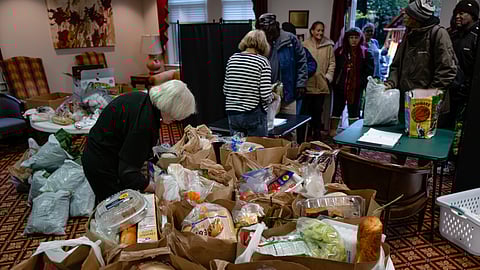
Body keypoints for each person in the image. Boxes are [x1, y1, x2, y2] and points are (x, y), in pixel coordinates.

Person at [82, 80, 196, 203]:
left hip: (100, 149)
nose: (174, 121)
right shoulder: (144, 125)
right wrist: (157, 188)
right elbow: (128, 173)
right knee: (115, 206)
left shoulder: (143, 99)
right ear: (169, 108)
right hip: (101, 165)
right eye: (175, 117)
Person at [385, 0, 457, 165]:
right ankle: (395, 183)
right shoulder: (408, 34)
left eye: (408, 14)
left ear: (417, 18)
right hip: (406, 105)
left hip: (429, 107)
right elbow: (396, 65)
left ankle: (420, 186)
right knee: (397, 148)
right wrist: (390, 83)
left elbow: (448, 70)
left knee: (424, 153)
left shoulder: (438, 34)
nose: (404, 15)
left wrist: (427, 96)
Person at [223, 30, 273, 137]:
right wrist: (272, 97)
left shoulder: (232, 59)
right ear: (263, 44)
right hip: (253, 113)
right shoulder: (262, 62)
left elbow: (226, 90)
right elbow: (265, 95)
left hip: (233, 114)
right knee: (257, 150)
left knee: (237, 150)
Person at [257, 13, 308, 116]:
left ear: (276, 25)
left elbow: (302, 62)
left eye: (268, 30)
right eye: (264, 30)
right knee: (270, 127)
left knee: (291, 127)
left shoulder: (290, 39)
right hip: (268, 94)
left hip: (288, 93)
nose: (267, 34)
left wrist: (301, 84)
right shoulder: (260, 40)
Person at [330, 27, 374, 137]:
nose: (354, 40)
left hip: (356, 87)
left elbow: (369, 72)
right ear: (347, 39)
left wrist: (360, 84)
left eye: (356, 37)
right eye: (351, 37)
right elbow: (334, 68)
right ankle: (333, 130)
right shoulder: (340, 51)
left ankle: (352, 133)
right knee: (336, 108)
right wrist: (335, 82)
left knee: (354, 110)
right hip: (340, 86)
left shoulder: (365, 53)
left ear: (360, 38)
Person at [302, 21, 336, 140]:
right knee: (307, 111)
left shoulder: (329, 46)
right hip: (308, 84)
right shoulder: (304, 45)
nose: (320, 33)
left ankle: (317, 133)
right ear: (312, 31)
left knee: (318, 111)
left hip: (322, 83)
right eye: (318, 30)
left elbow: (332, 63)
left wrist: (328, 77)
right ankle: (308, 134)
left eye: (322, 30)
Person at [281, 22, 318, 115]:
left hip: (296, 90)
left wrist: (300, 75)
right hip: (280, 90)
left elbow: (312, 65)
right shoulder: (276, 49)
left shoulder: (300, 50)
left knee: (293, 120)